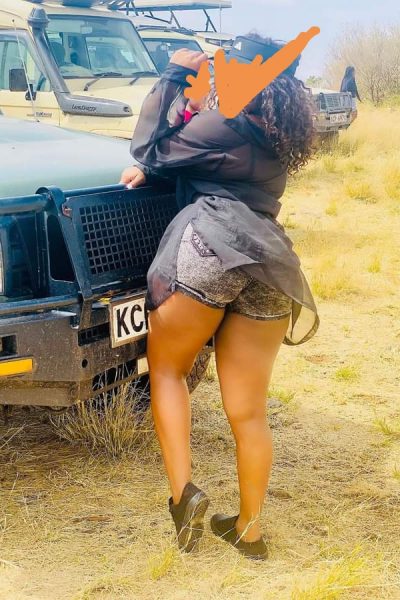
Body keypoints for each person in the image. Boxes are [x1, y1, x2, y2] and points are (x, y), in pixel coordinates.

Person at [120, 33, 319, 561]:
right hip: (270, 262)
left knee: (168, 372)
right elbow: (199, 159)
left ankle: (183, 497)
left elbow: (150, 148)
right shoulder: (275, 132)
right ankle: (249, 532)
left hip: (210, 247)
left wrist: (171, 76)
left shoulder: (224, 120)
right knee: (249, 412)